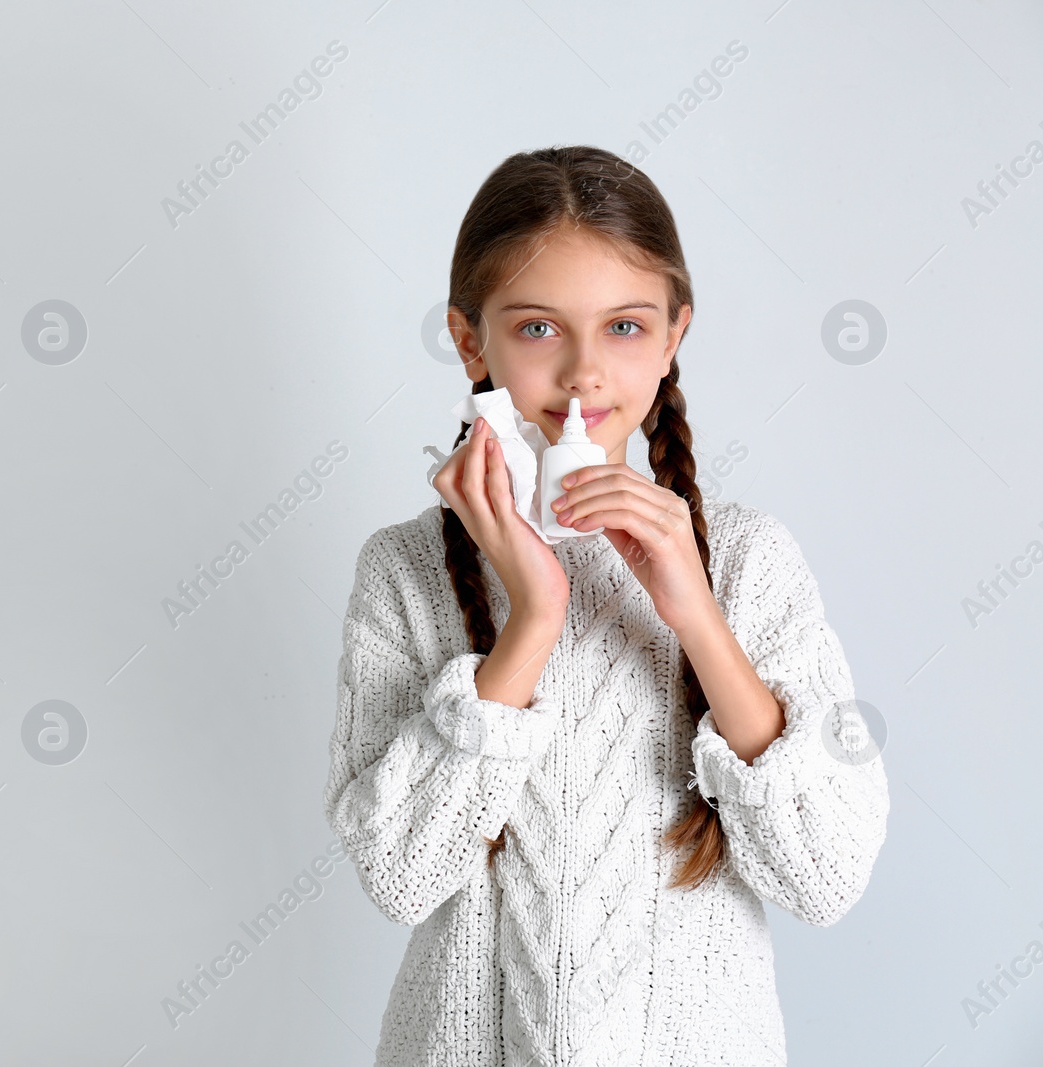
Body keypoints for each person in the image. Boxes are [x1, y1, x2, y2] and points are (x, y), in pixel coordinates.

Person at [321, 146, 889, 1066]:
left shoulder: (746, 561)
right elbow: (398, 873)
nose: (585, 373)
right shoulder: (404, 571)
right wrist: (533, 619)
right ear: (474, 343)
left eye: (624, 327)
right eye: (539, 328)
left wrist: (696, 616)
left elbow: (824, 876)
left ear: (673, 337)